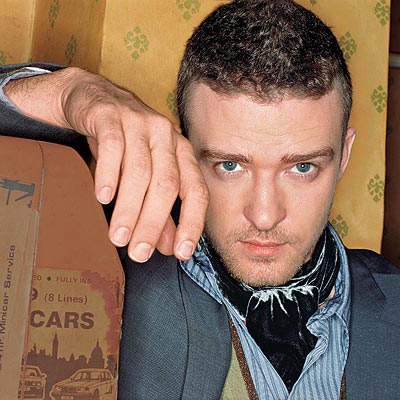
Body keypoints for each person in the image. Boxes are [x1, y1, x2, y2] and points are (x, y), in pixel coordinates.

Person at [1, 1, 400, 399]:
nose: (264, 215)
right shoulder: (119, 278)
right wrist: (68, 91)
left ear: (343, 156)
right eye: (230, 165)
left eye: (302, 167)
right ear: (184, 151)